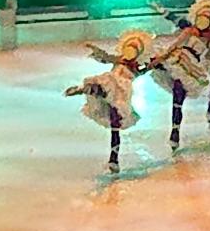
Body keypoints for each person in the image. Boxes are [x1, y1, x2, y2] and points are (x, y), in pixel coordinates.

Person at [67, 30, 162, 173]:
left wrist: (163, 57)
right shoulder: (119, 60)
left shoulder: (137, 68)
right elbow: (105, 57)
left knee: (115, 126)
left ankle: (114, 158)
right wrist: (95, 49)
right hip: (111, 85)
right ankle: (85, 89)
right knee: (107, 83)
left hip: (121, 94)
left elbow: (152, 65)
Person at [149, 0, 210, 146]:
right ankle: (175, 131)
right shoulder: (189, 30)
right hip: (177, 59)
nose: (202, 21)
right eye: (201, 17)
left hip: (192, 65)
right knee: (177, 95)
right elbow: (174, 39)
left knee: (209, 81)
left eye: (207, 18)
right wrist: (159, 8)